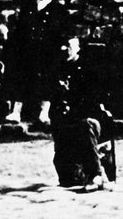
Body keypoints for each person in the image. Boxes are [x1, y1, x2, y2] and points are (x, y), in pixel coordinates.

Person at [49, 34, 115, 190]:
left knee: (85, 126)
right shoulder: (57, 70)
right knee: (69, 179)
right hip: (66, 125)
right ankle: (87, 171)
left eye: (69, 46)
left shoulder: (88, 70)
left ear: (77, 48)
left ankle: (96, 175)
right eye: (63, 46)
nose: (65, 49)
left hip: (89, 121)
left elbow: (95, 99)